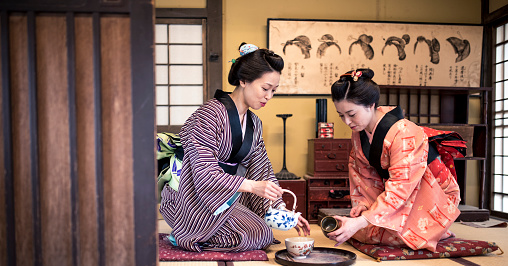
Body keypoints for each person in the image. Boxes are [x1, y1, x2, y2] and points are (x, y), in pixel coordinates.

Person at [160, 43, 310, 253]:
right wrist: (251, 186)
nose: (269, 96)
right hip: (191, 196)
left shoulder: (254, 124)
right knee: (255, 235)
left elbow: (262, 170)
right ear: (244, 80)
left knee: (263, 235)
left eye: (274, 91)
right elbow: (203, 173)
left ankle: (204, 232)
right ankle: (184, 232)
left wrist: (283, 210)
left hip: (223, 197)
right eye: (265, 88)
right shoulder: (209, 114)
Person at [328, 69, 462, 252]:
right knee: (366, 231)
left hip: (430, 190)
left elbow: (402, 185)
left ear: (370, 105)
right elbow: (361, 174)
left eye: (351, 114)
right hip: (402, 190)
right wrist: (364, 206)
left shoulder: (405, 132)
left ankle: (437, 227)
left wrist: (362, 221)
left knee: (380, 233)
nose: (347, 121)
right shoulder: (359, 133)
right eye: (341, 115)